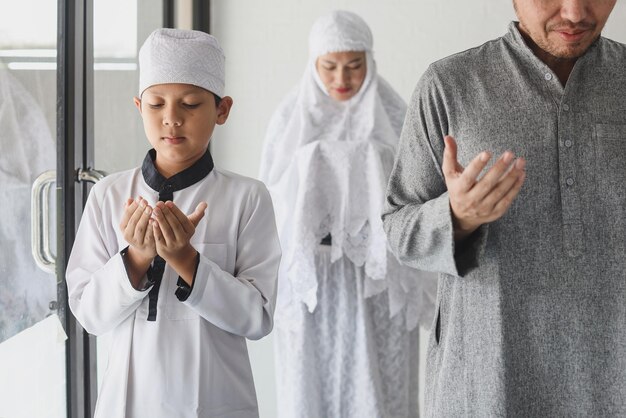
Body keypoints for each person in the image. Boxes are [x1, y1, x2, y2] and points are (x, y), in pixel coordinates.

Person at [383, 0, 626, 416]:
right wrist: (455, 217)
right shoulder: (449, 85)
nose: (574, 13)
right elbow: (398, 228)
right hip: (489, 381)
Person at [66, 28, 281, 418]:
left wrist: (186, 260)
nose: (172, 119)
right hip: (129, 403)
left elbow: (258, 317)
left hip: (215, 401)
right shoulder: (109, 195)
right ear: (138, 107)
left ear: (222, 109)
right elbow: (89, 314)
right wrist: (135, 257)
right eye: (157, 104)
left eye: (190, 104)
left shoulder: (248, 198)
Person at [260, 10, 436, 418]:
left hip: (378, 276)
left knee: (379, 382)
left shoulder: (395, 115)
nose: (342, 79)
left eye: (354, 66)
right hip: (314, 280)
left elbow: (418, 188)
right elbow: (271, 195)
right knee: (311, 381)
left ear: (369, 64)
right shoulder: (290, 120)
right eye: (330, 66)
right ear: (313, 65)